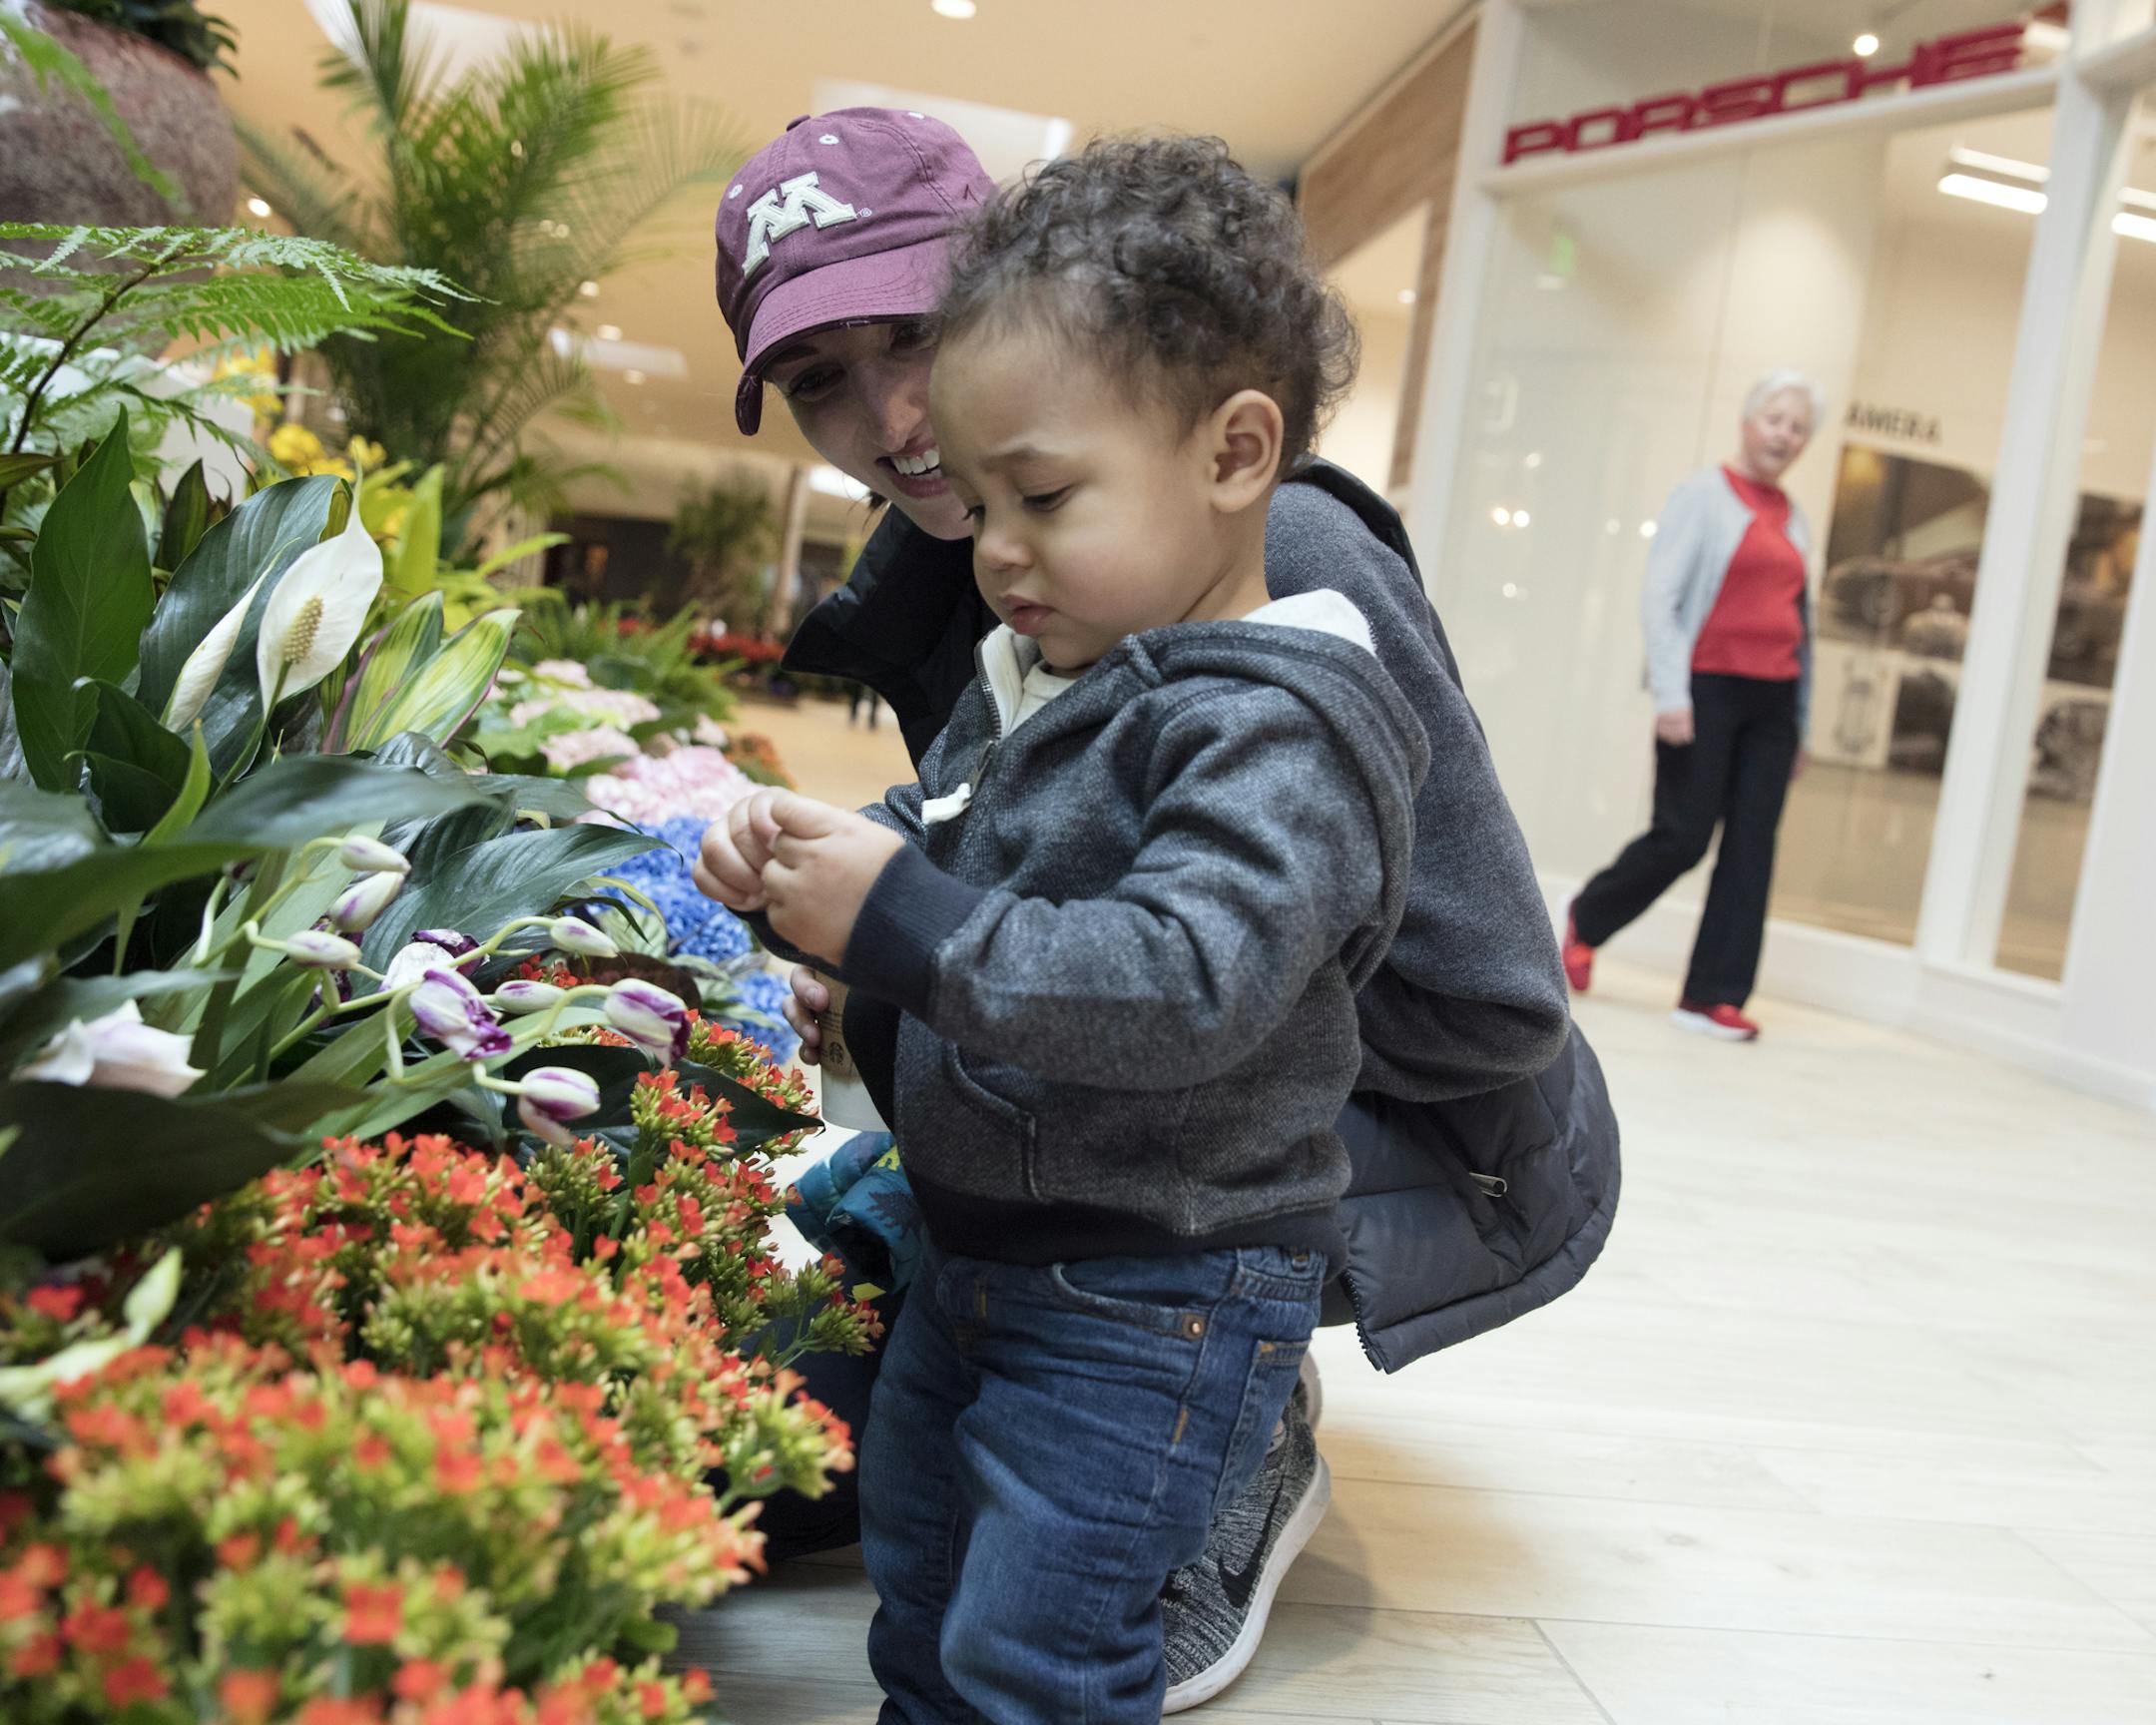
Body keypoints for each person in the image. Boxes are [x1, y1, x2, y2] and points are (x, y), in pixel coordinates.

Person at [709, 107, 1619, 1711]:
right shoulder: (1015, 553)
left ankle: (1235, 1428)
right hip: (1041, 1165)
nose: (894, 418)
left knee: (1039, 1623)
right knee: (844, 1512)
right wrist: (840, 908)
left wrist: (948, 955)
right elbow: (984, 823)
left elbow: (1466, 990)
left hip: (1259, 1188)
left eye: (913, 337)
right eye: (821, 381)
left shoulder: (1269, 585)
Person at [1562, 371, 1822, 1042]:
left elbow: (1803, 622)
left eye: (1797, 427)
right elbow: (1662, 598)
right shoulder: (1703, 497)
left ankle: (1713, 996)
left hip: (1775, 696)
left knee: (1752, 847)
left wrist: (1800, 723)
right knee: (1682, 835)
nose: (1784, 435)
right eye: (1775, 420)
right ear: (1747, 423)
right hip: (1707, 688)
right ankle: (1588, 918)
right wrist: (1673, 695)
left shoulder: (1794, 517)